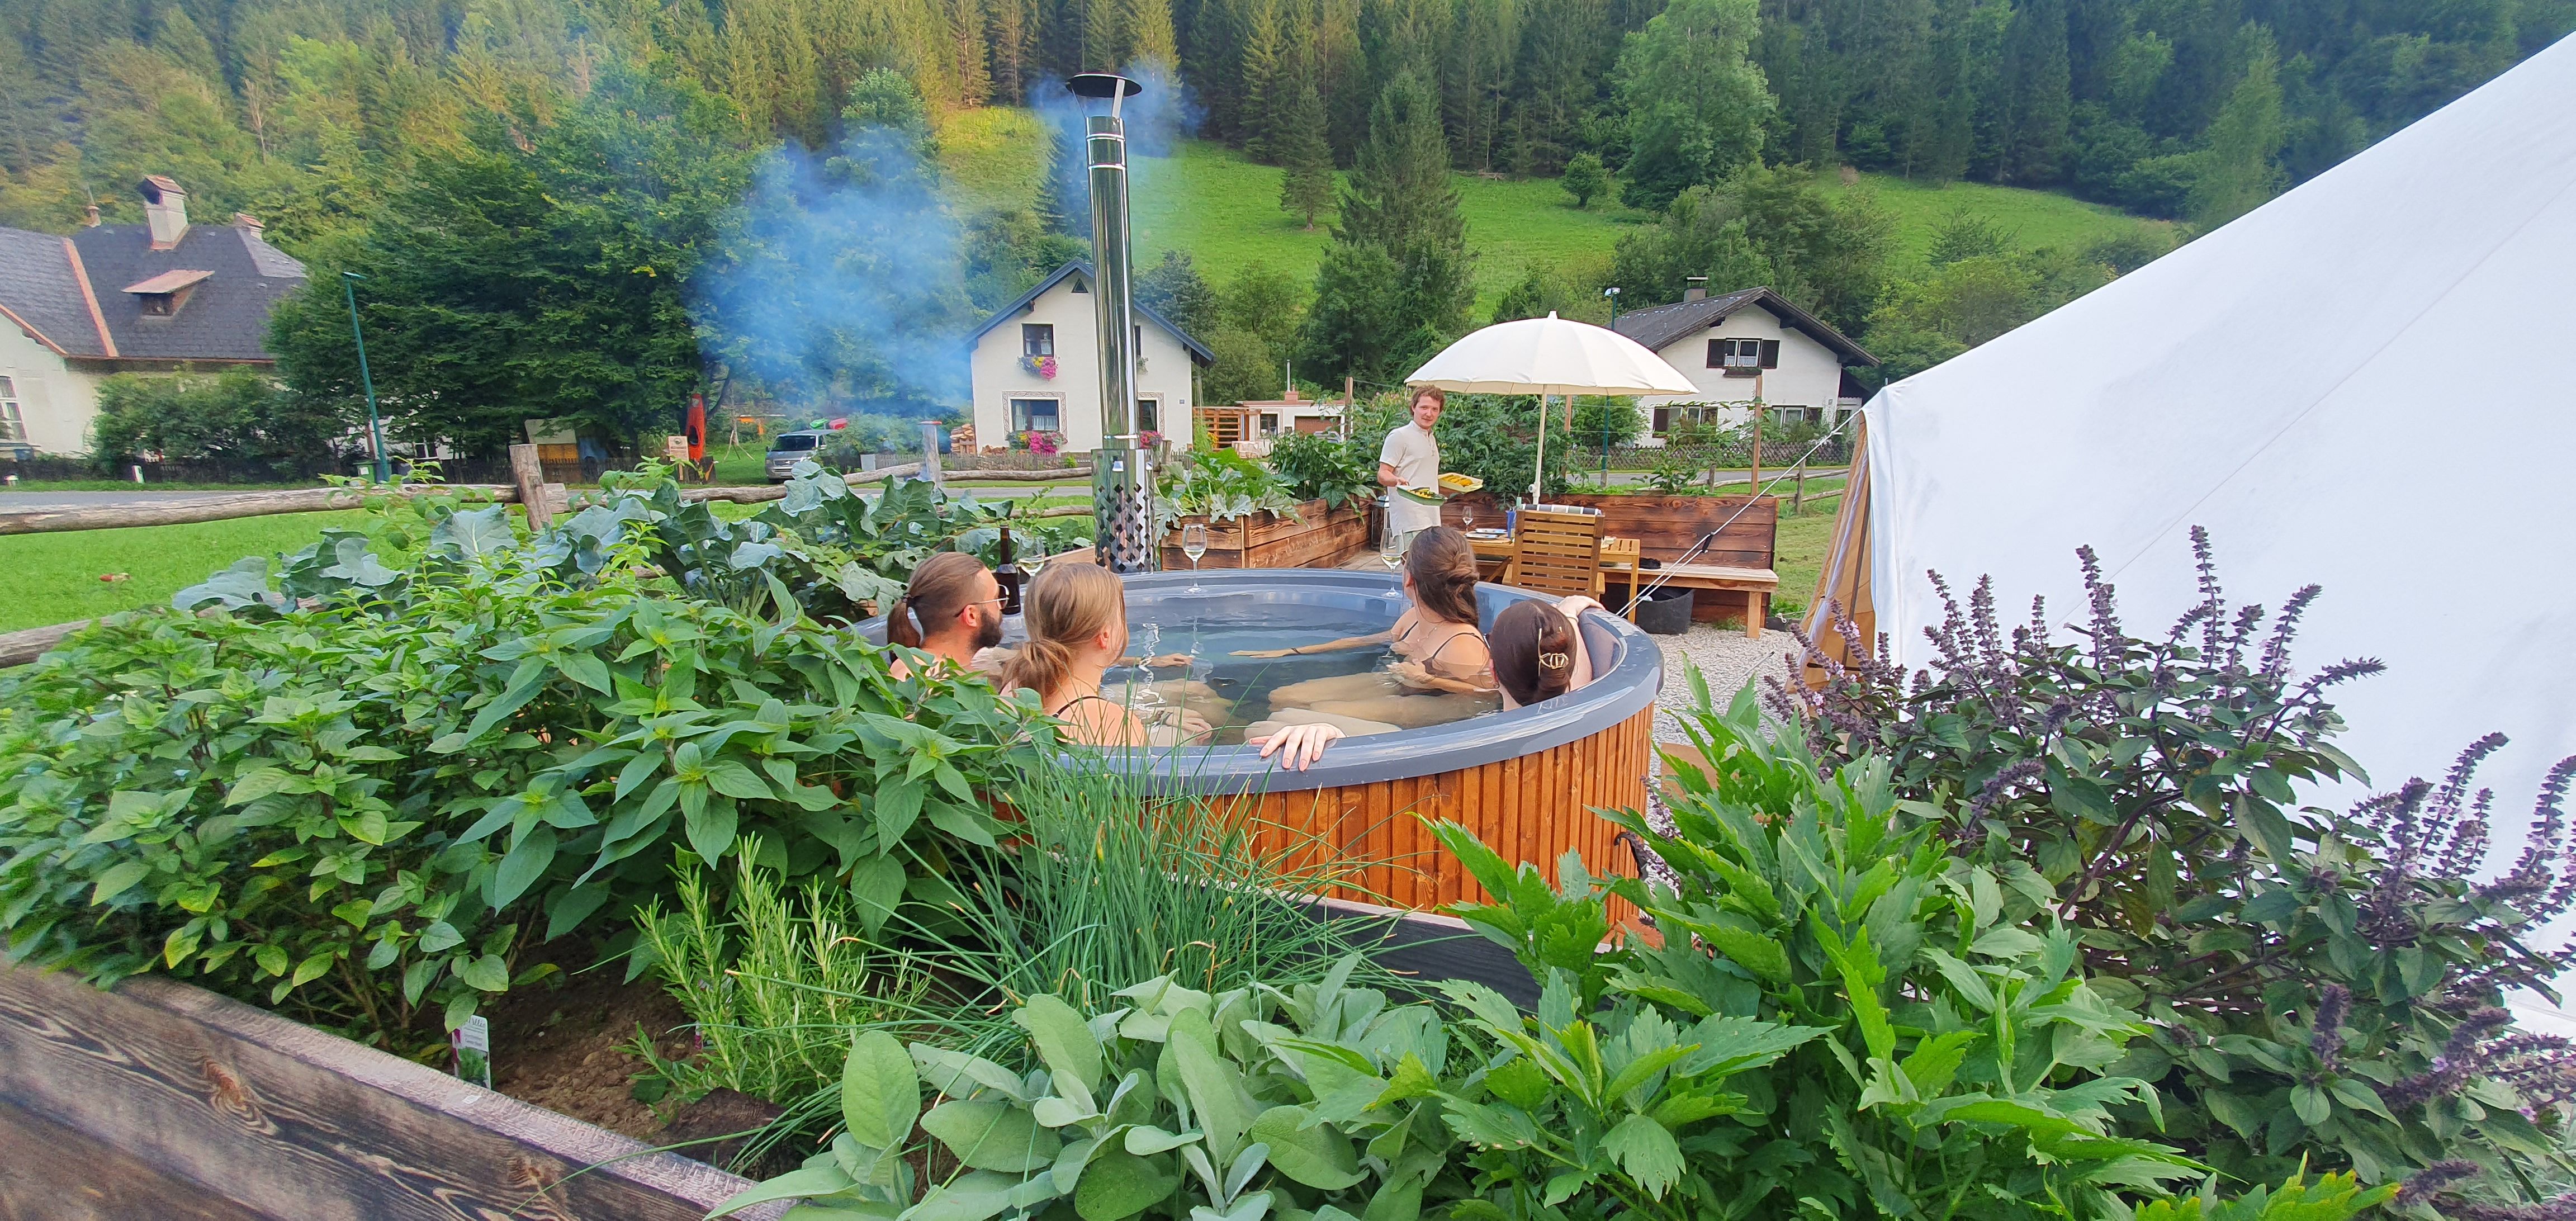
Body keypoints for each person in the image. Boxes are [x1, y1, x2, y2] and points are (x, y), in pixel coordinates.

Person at [1234, 526, 1498, 728]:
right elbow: (1373, 640)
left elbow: (1490, 694)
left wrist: (1429, 680)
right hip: (1399, 681)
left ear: (1409, 579)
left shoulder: (1464, 644)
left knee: (1309, 712)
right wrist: (1293, 651)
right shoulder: (1412, 620)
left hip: (1440, 703)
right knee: (1283, 697)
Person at [1000, 565, 1213, 747]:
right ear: (1106, 636)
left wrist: (1159, 715)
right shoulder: (1115, 723)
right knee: (1186, 736)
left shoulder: (1014, 690)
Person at [884, 552, 1004, 679]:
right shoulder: (929, 682)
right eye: (995, 599)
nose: (1001, 606)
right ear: (971, 616)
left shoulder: (914, 665)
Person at [1489, 595, 1599, 710]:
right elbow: (1578, 688)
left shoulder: (1484, 727)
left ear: (1493, 673)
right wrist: (1569, 616)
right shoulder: (1575, 715)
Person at [1377, 386, 1446, 551]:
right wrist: (1396, 480)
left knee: (1427, 572)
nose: (1429, 414)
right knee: (1410, 571)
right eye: (1424, 407)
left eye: (1434, 409)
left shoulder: (1431, 437)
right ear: (1414, 407)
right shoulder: (1399, 436)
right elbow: (1382, 474)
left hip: (1432, 517)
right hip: (1409, 519)